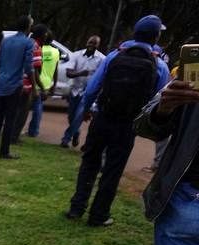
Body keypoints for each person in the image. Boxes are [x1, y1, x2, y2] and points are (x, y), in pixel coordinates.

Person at [65, 15, 170, 227]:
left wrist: (86, 110)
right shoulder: (159, 65)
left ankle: (76, 208)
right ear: (156, 36)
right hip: (127, 125)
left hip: (103, 116)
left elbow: (92, 89)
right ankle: (98, 215)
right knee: (113, 170)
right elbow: (158, 100)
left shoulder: (114, 56)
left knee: (90, 163)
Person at [135, 78, 199, 245]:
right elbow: (143, 125)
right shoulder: (192, 76)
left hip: (186, 203)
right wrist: (164, 107)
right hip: (187, 203)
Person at [0, 15, 33, 159]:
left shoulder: (6, 41)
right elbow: (28, 66)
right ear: (28, 27)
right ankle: (4, 151)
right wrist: (33, 84)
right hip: (14, 85)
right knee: (10, 119)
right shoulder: (27, 43)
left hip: (1, 82)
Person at [60, 35, 104, 148]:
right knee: (71, 116)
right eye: (90, 42)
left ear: (98, 45)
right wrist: (81, 73)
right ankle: (76, 132)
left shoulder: (101, 59)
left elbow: (101, 78)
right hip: (74, 90)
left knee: (79, 116)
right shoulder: (76, 55)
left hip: (88, 92)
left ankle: (66, 139)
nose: (91, 45)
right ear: (86, 43)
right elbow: (68, 73)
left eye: (94, 43)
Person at [10, 23, 45, 143]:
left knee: (14, 111)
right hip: (26, 85)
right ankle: (14, 137)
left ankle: (9, 134)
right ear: (42, 35)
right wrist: (39, 87)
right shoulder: (35, 47)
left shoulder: (23, 42)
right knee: (22, 113)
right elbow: (34, 70)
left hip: (15, 81)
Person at [28, 30, 59, 137]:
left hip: (35, 81)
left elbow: (35, 68)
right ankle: (34, 130)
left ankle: (32, 131)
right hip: (46, 83)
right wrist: (54, 84)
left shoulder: (38, 48)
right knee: (38, 107)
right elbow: (56, 69)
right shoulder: (56, 52)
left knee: (27, 106)